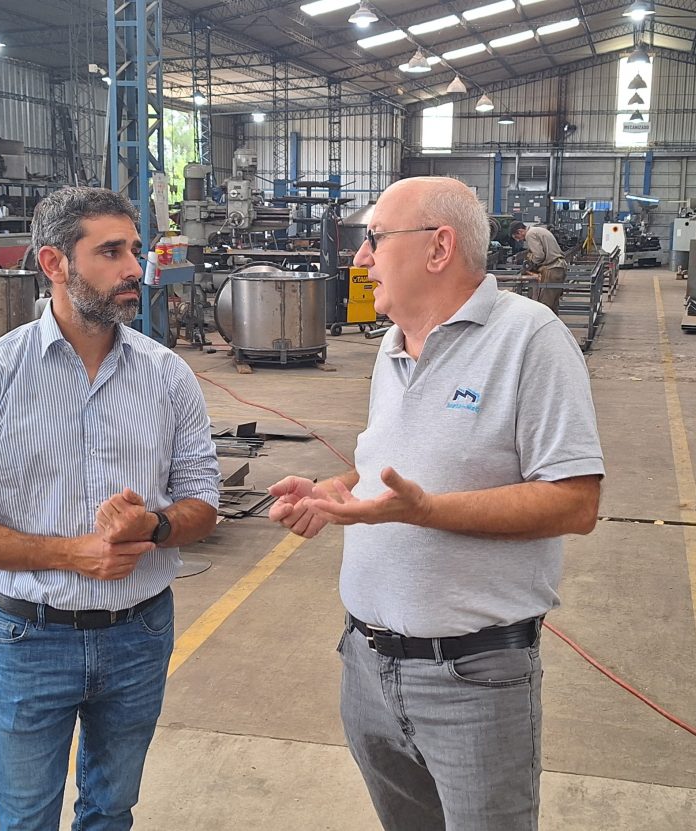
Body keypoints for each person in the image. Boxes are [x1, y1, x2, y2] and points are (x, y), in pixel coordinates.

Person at [268, 177, 604, 831]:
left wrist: (425, 512)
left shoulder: (530, 339)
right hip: (366, 665)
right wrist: (335, 493)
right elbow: (394, 468)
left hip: (472, 679)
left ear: (439, 247)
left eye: (374, 238)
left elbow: (575, 502)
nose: (360, 257)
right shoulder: (391, 346)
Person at [0, 186, 221, 831]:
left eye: (134, 250)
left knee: (111, 810)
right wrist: (70, 554)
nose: (134, 268)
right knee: (25, 816)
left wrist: (155, 526)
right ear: (54, 263)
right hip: (30, 636)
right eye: (111, 252)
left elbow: (204, 505)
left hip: (140, 634)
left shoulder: (168, 377)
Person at [511, 221, 567, 313]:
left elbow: (539, 256)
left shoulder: (530, 234)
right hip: (558, 267)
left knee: (545, 305)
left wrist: (530, 264)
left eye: (517, 237)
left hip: (552, 269)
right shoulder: (537, 230)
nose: (519, 240)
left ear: (520, 231)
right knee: (553, 304)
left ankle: (545, 322)